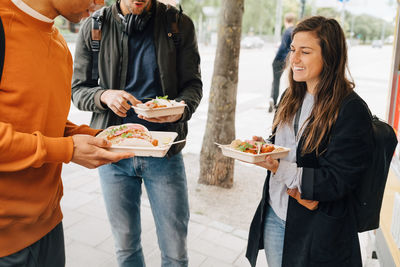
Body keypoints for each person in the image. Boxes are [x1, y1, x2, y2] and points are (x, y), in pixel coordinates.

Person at [0, 0, 136, 266]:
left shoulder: (60, 43)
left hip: (50, 225)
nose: (100, 4)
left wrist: (100, 137)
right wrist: (68, 150)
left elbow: (42, 122)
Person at [71, 0, 202, 266]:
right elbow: (77, 91)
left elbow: (193, 85)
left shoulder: (179, 24)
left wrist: (181, 109)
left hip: (164, 152)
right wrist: (103, 95)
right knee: (126, 247)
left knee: (176, 252)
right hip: (113, 155)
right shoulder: (93, 26)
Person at [246, 16, 373, 267]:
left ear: (330, 56)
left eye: (305, 52)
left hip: (316, 229)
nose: (294, 59)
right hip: (274, 212)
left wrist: (276, 167)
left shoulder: (351, 109)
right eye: (293, 50)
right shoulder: (290, 96)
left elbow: (340, 179)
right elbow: (289, 146)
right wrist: (265, 147)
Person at [268, 13, 296, 113]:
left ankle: (273, 100)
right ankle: (273, 99)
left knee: (276, 80)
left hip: (280, 59)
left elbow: (283, 47)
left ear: (285, 21)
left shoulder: (287, 31)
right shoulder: (294, 31)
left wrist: (277, 58)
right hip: (287, 60)